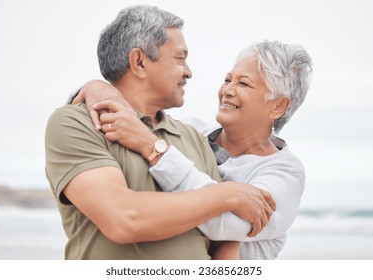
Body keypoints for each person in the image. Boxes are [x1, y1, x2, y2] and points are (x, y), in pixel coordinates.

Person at [45, 5, 275, 260]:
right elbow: (123, 219)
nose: (188, 71)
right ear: (139, 62)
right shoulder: (76, 123)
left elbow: (222, 239)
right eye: (180, 58)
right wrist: (227, 194)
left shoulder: (194, 139)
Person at [73, 40, 313, 259]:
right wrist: (98, 88)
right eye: (228, 79)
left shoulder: (285, 173)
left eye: (244, 84)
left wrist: (153, 148)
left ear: (278, 106)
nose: (227, 90)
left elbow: (222, 224)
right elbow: (129, 125)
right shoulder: (190, 131)